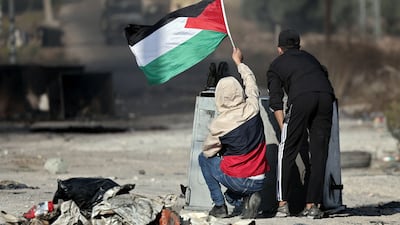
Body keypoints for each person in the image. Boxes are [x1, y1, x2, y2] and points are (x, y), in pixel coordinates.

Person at [266, 29, 335, 219]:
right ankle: (313, 205)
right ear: (299, 46)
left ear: (279, 49)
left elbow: (275, 101)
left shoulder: (276, 65)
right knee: (319, 154)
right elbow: (323, 76)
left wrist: (284, 128)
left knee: (285, 151)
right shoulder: (310, 58)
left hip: (302, 98)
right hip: (327, 97)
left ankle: (282, 204)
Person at [199, 47, 269, 219]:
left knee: (203, 159)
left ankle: (219, 206)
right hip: (260, 178)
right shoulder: (253, 107)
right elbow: (251, 83)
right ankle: (247, 201)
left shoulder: (219, 125)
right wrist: (239, 62)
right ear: (239, 91)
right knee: (233, 194)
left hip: (239, 179)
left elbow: (209, 152)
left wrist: (222, 147)